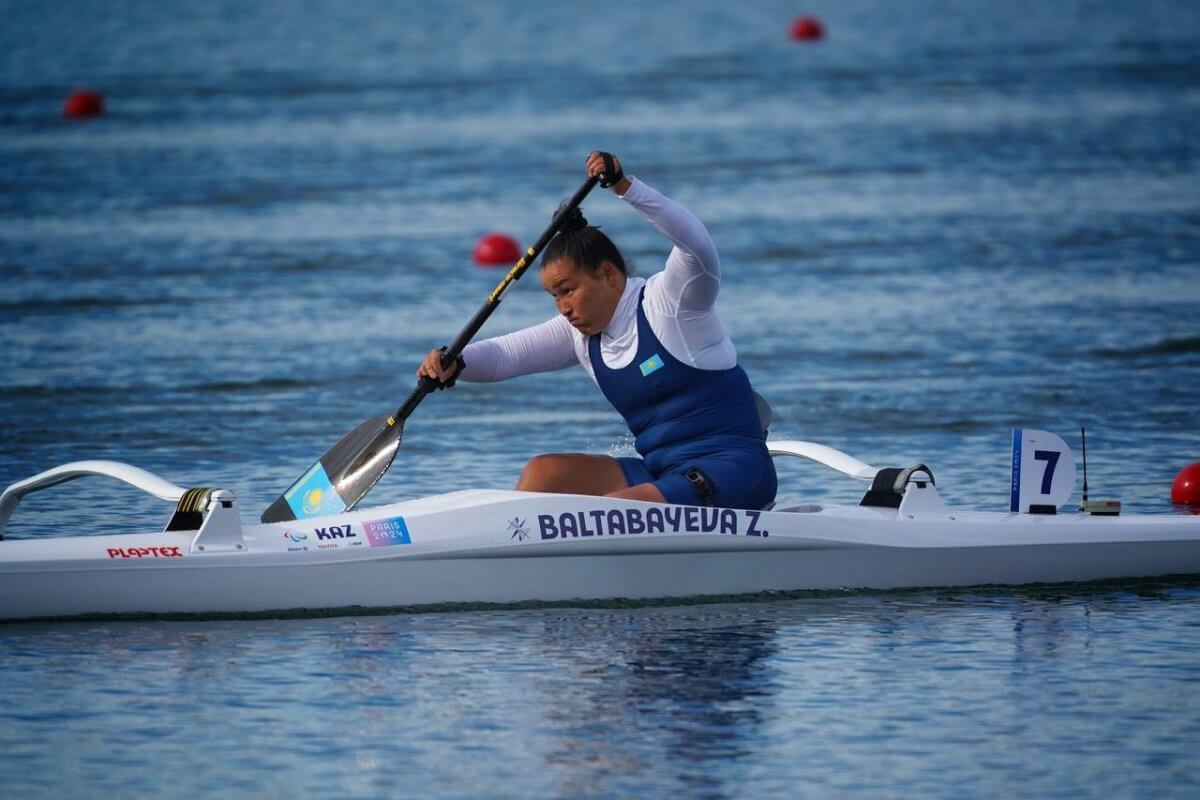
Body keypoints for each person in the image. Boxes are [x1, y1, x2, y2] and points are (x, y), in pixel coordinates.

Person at [418, 151, 776, 510]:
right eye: (554, 296)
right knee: (543, 474)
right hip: (663, 474)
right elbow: (505, 357)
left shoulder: (671, 303)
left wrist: (625, 186)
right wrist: (455, 362)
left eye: (568, 290)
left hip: (733, 472)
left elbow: (697, 245)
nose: (563, 307)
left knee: (618, 508)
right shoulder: (579, 334)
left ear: (607, 275)